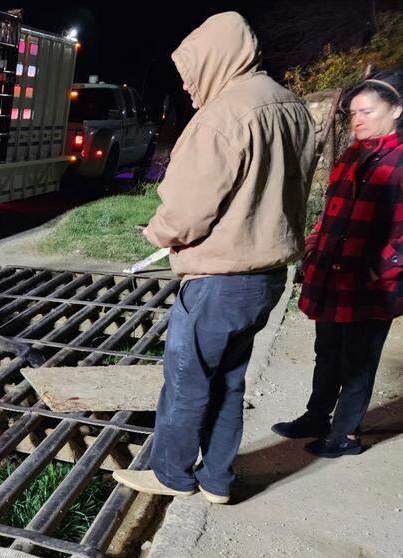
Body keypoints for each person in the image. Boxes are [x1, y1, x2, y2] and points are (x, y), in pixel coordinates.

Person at [112, 12, 316, 504]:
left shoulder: (224, 115)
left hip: (219, 277)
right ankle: (218, 481)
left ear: (217, 57)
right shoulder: (291, 106)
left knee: (187, 381)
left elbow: (187, 211)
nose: (185, 82)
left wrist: (155, 232)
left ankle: (172, 475)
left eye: (190, 68)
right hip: (266, 275)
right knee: (229, 379)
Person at [272, 70, 403, 457]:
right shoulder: (351, 156)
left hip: (370, 282)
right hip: (332, 273)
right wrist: (314, 243)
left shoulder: (399, 161)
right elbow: (333, 212)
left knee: (359, 360)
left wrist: (381, 269)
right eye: (353, 113)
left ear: (396, 110)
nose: (357, 120)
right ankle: (316, 416)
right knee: (327, 351)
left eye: (367, 111)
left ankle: (346, 435)